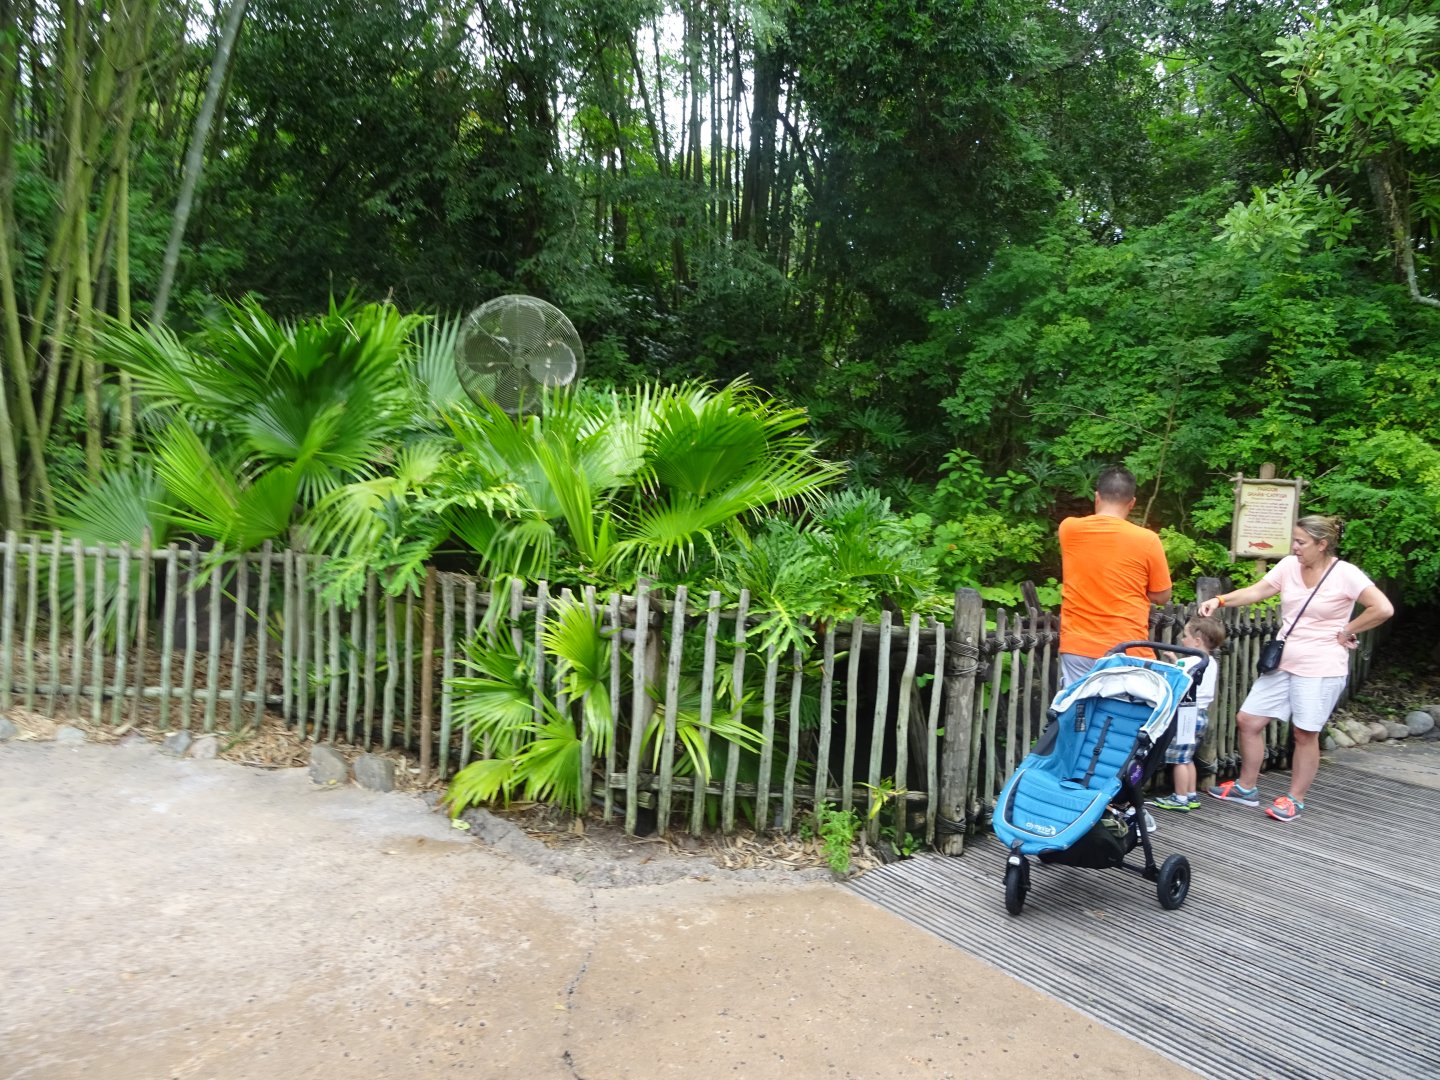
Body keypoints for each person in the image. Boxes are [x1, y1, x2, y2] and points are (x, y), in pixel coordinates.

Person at [1198, 515, 1394, 822]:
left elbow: (1383, 608)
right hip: (1284, 659)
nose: (1295, 547)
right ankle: (1246, 787)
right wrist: (1220, 600)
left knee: (1304, 733)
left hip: (1321, 665)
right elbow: (1257, 591)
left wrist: (1347, 629)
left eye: (1301, 542)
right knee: (1248, 720)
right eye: (1294, 540)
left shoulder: (1346, 574)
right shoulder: (1289, 566)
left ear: (1322, 544)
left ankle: (1295, 798)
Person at [1058, 466, 1173, 688]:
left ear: (1097, 497)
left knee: (1077, 713)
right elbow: (1161, 596)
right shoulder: (1147, 540)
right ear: (1132, 503)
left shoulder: (1069, 529)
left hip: (1077, 646)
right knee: (1126, 715)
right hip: (1127, 647)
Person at [1151, 615, 1227, 813]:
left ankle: (1180, 797)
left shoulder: (1189, 662)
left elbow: (1179, 680)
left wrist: (1173, 664)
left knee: (1179, 760)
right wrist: (1177, 660)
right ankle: (1191, 794)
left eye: (1185, 636)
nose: (1182, 640)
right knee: (1188, 757)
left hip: (1185, 715)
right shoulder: (1210, 661)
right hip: (1200, 715)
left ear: (1197, 640)